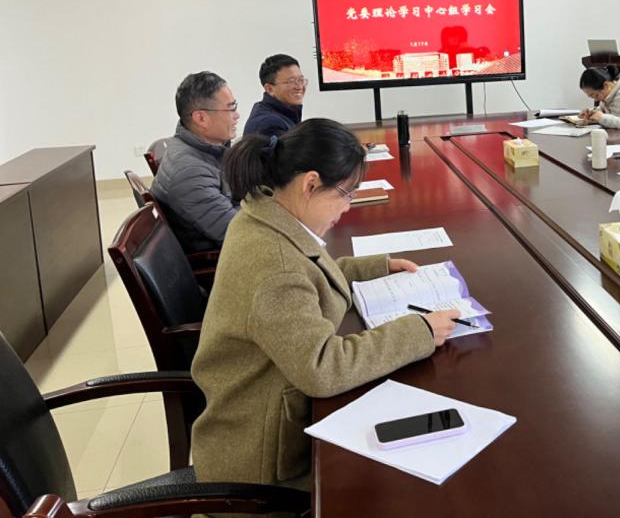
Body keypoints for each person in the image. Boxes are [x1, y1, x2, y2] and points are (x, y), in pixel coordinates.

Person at [190, 118, 459, 489]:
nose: (348, 207)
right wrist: (420, 331)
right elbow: (323, 368)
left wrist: (375, 267)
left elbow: (309, 272)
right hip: (263, 465)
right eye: (346, 194)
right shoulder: (275, 267)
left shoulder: (264, 213)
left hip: (270, 415)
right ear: (310, 184)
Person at [150, 71, 239, 254]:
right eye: (231, 109)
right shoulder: (189, 172)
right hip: (217, 260)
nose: (237, 115)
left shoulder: (204, 149)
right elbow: (237, 233)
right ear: (201, 118)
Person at [243, 53, 307, 138]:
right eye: (291, 82)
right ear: (270, 89)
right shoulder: (270, 125)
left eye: (301, 80)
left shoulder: (283, 113)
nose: (299, 87)